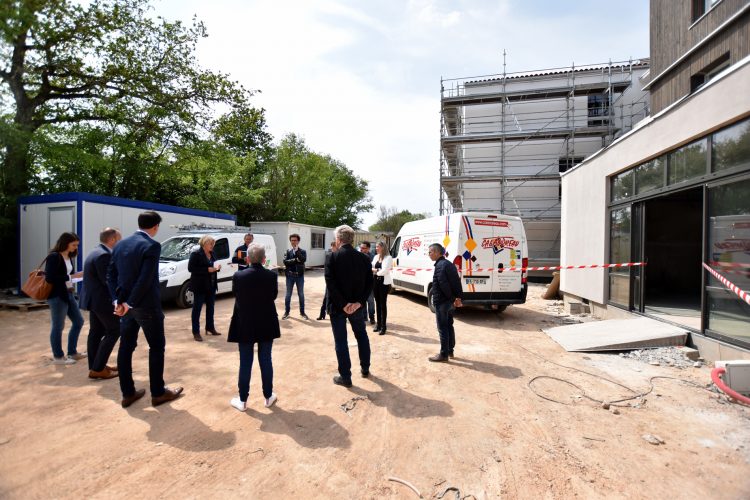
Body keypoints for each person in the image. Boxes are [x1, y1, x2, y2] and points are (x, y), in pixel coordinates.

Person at [108, 211, 183, 408]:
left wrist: (118, 301)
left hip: (126, 306)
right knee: (156, 347)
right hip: (145, 305)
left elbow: (111, 275)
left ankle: (128, 393)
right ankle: (158, 392)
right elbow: (145, 278)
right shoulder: (151, 245)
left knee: (126, 347)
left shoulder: (120, 244)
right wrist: (129, 303)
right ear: (155, 226)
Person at [227, 243, 279, 411]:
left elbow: (236, 294)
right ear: (264, 260)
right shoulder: (271, 276)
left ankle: (242, 400)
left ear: (247, 259)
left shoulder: (238, 275)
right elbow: (273, 296)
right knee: (266, 360)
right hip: (266, 322)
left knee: (245, 362)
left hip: (245, 323)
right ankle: (268, 396)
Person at [325, 225, 373, 387]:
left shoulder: (333, 257)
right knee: (361, 336)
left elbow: (330, 284)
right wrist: (359, 302)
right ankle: (365, 368)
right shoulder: (364, 258)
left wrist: (344, 304)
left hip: (339, 307)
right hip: (356, 307)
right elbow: (369, 284)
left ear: (338, 239)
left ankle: (346, 376)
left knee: (341, 341)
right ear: (352, 239)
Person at [79, 228, 122, 379]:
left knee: (96, 333)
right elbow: (109, 281)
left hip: (94, 300)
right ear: (112, 240)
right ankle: (97, 368)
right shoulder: (104, 255)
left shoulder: (96, 251)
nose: (121, 242)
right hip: (102, 301)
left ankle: (96, 365)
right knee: (114, 331)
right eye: (119, 239)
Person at [44, 232, 86, 365]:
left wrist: (79, 276)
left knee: (78, 321)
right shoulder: (54, 257)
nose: (75, 247)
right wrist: (71, 277)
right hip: (57, 296)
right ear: (65, 243)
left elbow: (69, 276)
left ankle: (72, 353)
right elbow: (50, 278)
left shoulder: (69, 257)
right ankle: (58, 357)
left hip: (68, 293)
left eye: (77, 245)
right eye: (73, 244)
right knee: (58, 326)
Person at [428, 243, 463, 362]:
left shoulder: (440, 266)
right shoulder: (449, 264)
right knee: (449, 325)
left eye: (430, 252)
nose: (429, 254)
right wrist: (458, 297)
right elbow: (456, 282)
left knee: (443, 328)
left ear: (438, 253)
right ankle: (450, 351)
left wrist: (454, 299)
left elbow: (444, 285)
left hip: (443, 302)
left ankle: (444, 354)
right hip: (449, 302)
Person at [188, 235, 222, 342]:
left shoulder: (213, 254)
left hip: (211, 285)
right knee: (197, 309)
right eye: (210, 244)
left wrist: (217, 268)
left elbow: (213, 267)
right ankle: (196, 332)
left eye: (213, 244)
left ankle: (210, 327)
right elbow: (191, 268)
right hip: (200, 286)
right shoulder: (196, 254)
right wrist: (207, 270)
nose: (212, 246)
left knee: (211, 308)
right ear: (204, 243)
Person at [283, 233, 307, 320]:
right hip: (289, 276)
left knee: (301, 294)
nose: (293, 242)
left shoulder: (302, 251)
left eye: (295, 240)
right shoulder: (287, 251)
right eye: (292, 240)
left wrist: (297, 252)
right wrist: (296, 260)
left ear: (298, 241)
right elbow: (285, 262)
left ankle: (302, 312)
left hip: (299, 276)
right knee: (288, 295)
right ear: (290, 241)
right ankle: (286, 312)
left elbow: (303, 260)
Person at [372, 241, 393, 335]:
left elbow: (385, 271)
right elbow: (370, 267)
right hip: (375, 282)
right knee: (377, 303)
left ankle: (383, 326)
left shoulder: (388, 258)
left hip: (383, 283)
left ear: (383, 247)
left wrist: (375, 271)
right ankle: (378, 324)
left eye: (378, 247)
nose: (376, 248)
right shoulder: (376, 257)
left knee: (382, 304)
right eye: (376, 247)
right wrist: (377, 270)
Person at [317, 241, 337, 321]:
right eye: (332, 246)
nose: (333, 248)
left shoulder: (339, 256)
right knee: (326, 298)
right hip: (330, 281)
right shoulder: (329, 256)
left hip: (337, 282)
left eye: (334, 246)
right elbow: (327, 270)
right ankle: (322, 314)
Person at [358, 241, 376, 325]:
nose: (361, 250)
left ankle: (372, 317)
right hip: (361, 283)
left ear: (368, 248)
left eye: (363, 248)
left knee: (371, 301)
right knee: (362, 301)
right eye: (361, 248)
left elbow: (373, 269)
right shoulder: (358, 256)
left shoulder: (373, 257)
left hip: (369, 283)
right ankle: (364, 317)